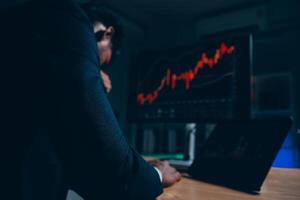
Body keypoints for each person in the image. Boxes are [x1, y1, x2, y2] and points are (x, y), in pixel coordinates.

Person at [0, 0, 180, 200]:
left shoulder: (21, 22)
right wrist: (155, 175)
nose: (100, 70)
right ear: (107, 34)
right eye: (102, 62)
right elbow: (104, 166)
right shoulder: (69, 19)